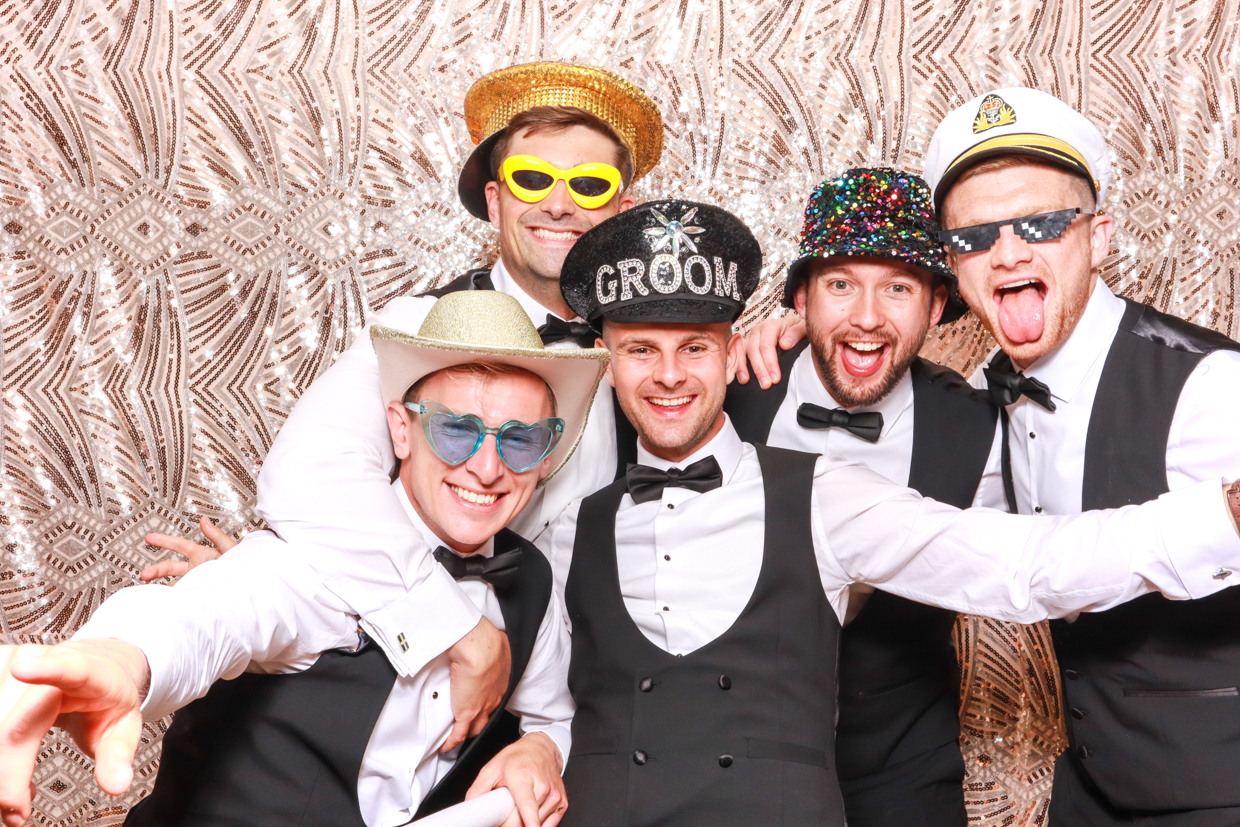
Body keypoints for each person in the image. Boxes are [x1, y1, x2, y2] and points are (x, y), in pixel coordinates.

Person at [541, 199, 1240, 827]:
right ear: (606, 357)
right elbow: (541, 698)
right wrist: (529, 752)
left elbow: (1022, 563)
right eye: (641, 350)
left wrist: (1223, 516)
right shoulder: (567, 521)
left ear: (729, 351)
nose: (668, 375)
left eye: (694, 347)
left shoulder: (830, 494)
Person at [137, 61, 664, 763]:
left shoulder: (650, 359)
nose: (560, 204)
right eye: (534, 178)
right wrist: (448, 628)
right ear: (495, 197)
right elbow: (310, 476)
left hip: (567, 723)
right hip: (404, 687)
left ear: (621, 210)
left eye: (589, 184)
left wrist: (786, 337)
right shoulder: (418, 328)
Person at [0, 291, 610, 827]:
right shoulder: (320, 559)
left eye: (520, 439)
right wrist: (119, 659)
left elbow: (554, 713)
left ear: (549, 452)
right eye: (456, 430)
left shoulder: (531, 581)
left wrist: (543, 750)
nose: (486, 466)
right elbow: (210, 614)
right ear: (400, 430)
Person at [921, 87, 1240, 826]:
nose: (1008, 252)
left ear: (1097, 238)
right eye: (976, 236)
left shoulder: (1209, 384)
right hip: (1092, 786)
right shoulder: (974, 396)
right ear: (952, 265)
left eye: (1042, 222)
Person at [723, 168, 997, 826]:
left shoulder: (978, 427)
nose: (867, 317)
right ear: (802, 301)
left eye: (897, 289)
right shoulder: (724, 388)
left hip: (904, 775)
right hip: (729, 768)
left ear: (935, 306)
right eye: (841, 284)